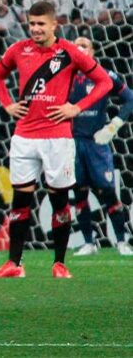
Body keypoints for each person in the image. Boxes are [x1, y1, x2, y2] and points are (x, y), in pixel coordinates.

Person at [0, 1, 112, 279]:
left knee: (59, 201)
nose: (35, 29)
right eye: (32, 24)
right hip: (24, 136)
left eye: (41, 24)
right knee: (20, 201)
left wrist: (76, 108)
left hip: (57, 138)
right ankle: (14, 264)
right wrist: (7, 104)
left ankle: (59, 263)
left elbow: (105, 82)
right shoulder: (19, 49)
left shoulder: (69, 52)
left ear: (55, 25)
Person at [68, 37, 133, 256]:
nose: (80, 48)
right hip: (73, 143)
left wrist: (113, 127)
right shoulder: (64, 78)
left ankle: (122, 241)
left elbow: (130, 99)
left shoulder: (105, 75)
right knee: (79, 194)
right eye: (76, 45)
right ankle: (88, 243)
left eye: (84, 45)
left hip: (97, 144)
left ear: (93, 51)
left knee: (107, 192)